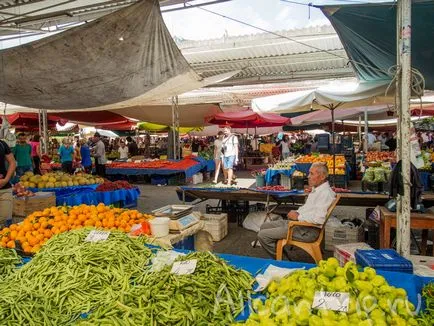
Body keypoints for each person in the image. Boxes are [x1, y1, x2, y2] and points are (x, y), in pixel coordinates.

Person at [257, 163, 336, 259]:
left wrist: (298, 216)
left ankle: (285, 261)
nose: (308, 176)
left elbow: (319, 219)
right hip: (300, 225)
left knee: (263, 236)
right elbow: (309, 209)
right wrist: (297, 213)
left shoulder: (325, 193)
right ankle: (282, 254)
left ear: (322, 176)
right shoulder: (318, 190)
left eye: (311, 174)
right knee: (264, 226)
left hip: (307, 231)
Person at [0, 140, 16, 225]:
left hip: (4, 189)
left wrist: (6, 179)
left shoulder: (2, 144)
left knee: (5, 223)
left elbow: (12, 162)